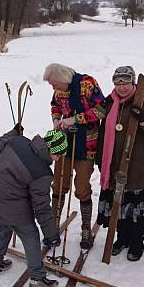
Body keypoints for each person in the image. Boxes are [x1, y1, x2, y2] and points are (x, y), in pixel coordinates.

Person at [0, 127, 66, 287]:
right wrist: (50, 234)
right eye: (58, 155)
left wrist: (12, 132)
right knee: (30, 233)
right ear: (52, 151)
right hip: (9, 199)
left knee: (3, 224)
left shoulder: (20, 141)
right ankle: (37, 277)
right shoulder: (42, 173)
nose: (57, 159)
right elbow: (41, 208)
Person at [95, 66, 144, 261]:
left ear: (133, 82)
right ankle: (121, 238)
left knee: (134, 206)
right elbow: (101, 132)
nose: (121, 87)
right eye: (118, 82)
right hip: (113, 164)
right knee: (118, 202)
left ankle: (136, 241)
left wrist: (143, 118)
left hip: (137, 164)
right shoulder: (108, 103)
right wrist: (101, 159)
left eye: (125, 82)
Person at [43, 63, 107, 249]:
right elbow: (55, 105)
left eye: (55, 84)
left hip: (86, 143)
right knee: (59, 183)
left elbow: (101, 110)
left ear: (63, 78)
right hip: (64, 141)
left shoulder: (87, 84)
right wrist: (56, 120)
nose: (53, 88)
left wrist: (76, 119)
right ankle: (53, 225)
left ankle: (86, 228)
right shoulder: (59, 90)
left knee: (81, 187)